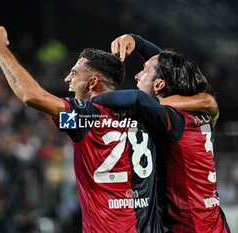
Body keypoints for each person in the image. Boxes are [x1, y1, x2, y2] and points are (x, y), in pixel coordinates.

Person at [0, 26, 216, 233]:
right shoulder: (155, 117)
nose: (67, 79)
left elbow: (31, 96)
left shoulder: (83, 118)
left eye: (74, 73)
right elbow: (181, 78)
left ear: (93, 82)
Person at [92, 34, 230, 233]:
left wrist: (84, 106)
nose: (137, 76)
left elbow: (138, 99)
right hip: (216, 224)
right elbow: (176, 71)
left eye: (144, 71)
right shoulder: (202, 113)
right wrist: (137, 42)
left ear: (159, 85)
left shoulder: (172, 119)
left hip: (188, 228)